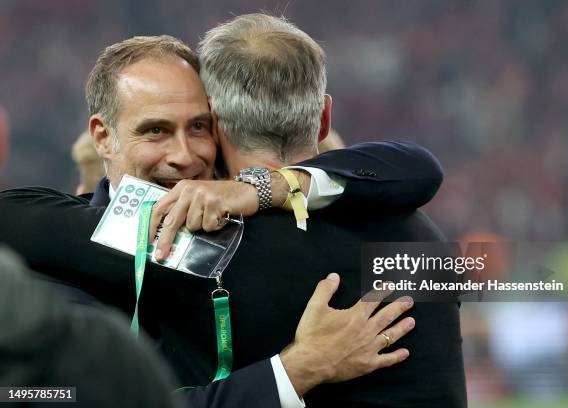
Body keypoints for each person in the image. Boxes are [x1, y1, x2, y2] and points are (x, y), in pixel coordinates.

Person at [0, 21, 457, 408]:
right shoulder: (428, 240)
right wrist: (295, 370)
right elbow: (419, 166)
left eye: (196, 127)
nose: (182, 155)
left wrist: (260, 187)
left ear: (217, 126)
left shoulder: (202, 249)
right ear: (323, 119)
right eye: (156, 130)